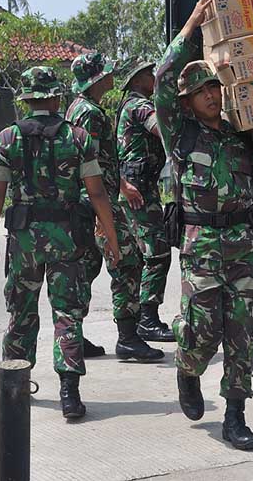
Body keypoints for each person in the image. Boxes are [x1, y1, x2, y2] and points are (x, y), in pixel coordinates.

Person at [155, 0, 253, 451]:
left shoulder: (240, 135)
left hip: (243, 242)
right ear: (187, 103)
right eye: (201, 92)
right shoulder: (180, 133)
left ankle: (235, 415)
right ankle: (188, 370)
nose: (211, 95)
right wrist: (191, 23)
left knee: (242, 333)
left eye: (215, 88)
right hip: (201, 243)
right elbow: (163, 77)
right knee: (202, 331)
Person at [0, 66, 121, 419]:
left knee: (21, 313)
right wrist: (112, 238)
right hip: (68, 241)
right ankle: (69, 395)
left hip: (25, 241)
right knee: (68, 315)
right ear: (58, 97)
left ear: (27, 99)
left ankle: (13, 388)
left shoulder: (8, 139)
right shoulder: (78, 138)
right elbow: (98, 193)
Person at [65, 52, 164, 363]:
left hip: (91, 201)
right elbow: (89, 163)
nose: (112, 77)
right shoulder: (90, 113)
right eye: (107, 73)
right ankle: (128, 337)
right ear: (96, 79)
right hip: (96, 202)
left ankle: (73, 336)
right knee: (128, 262)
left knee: (87, 267)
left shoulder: (81, 108)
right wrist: (101, 211)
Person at [116, 60, 175, 342]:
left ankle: (141, 316)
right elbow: (163, 130)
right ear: (138, 80)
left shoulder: (128, 104)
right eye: (150, 75)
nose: (154, 79)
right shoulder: (139, 105)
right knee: (158, 252)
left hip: (139, 186)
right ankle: (148, 319)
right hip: (139, 190)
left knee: (144, 254)